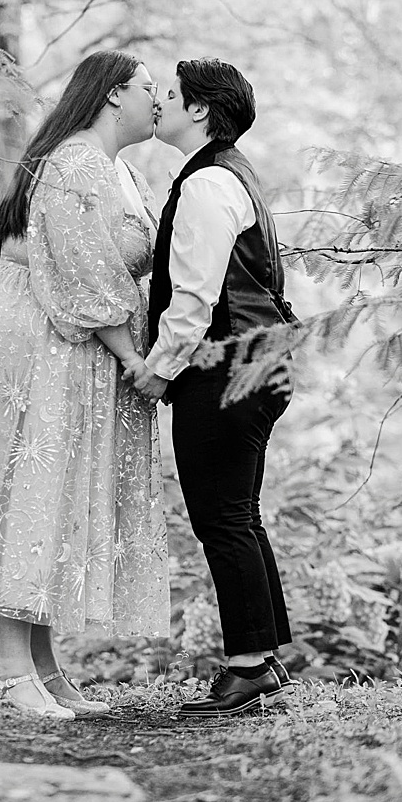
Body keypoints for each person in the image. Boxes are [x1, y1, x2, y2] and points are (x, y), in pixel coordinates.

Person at [0, 51, 170, 720]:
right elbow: (84, 276)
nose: (155, 102)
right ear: (111, 96)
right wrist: (134, 359)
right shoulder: (76, 163)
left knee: (45, 494)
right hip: (32, 331)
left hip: (61, 335)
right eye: (144, 90)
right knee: (18, 490)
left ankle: (45, 667)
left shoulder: (116, 169)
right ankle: (10, 670)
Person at [137, 58, 299, 719]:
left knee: (222, 518)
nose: (158, 103)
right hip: (255, 362)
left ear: (200, 110)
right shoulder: (234, 174)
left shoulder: (207, 184)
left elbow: (197, 297)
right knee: (240, 515)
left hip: (226, 366)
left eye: (169, 95)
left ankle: (246, 669)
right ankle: (264, 657)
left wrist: (159, 368)